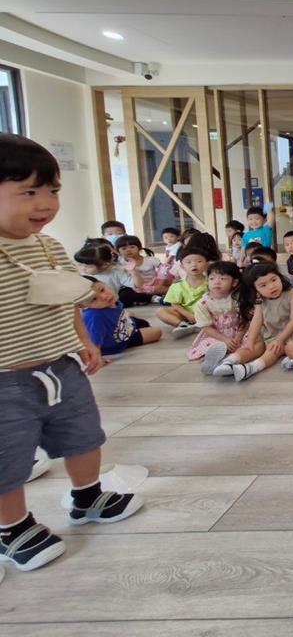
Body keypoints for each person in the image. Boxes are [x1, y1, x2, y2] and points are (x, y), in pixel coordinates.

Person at [0, 134, 143, 573]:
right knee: (8, 457)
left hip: (60, 365)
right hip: (5, 380)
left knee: (84, 435)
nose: (45, 203)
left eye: (53, 190)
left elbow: (68, 300)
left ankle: (87, 496)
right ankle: (12, 528)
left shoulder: (49, 247)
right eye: (29, 192)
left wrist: (83, 340)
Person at [209, 263, 293, 382]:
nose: (271, 286)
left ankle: (251, 368)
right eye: (263, 285)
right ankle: (228, 362)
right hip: (271, 334)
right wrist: (250, 342)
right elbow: (256, 321)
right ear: (256, 290)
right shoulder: (260, 300)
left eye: (274, 280)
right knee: (254, 346)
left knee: (273, 350)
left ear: (280, 278)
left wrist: (279, 339)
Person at [188, 261, 245, 373]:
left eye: (223, 278)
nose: (217, 282)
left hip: (240, 332)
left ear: (234, 282)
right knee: (213, 344)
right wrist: (225, 340)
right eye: (212, 278)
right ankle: (213, 359)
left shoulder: (239, 299)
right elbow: (206, 327)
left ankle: (229, 360)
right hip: (217, 335)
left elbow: (246, 321)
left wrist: (238, 338)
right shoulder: (203, 303)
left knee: (251, 342)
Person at [80, 280, 163, 355]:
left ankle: (129, 318)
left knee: (143, 322)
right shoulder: (95, 317)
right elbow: (94, 342)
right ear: (82, 305)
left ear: (104, 283)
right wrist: (97, 358)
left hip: (123, 328)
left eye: (102, 290)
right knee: (157, 332)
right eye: (94, 299)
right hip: (117, 344)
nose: (104, 296)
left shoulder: (111, 302)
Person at [73, 238, 150, 307]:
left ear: (105, 264)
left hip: (110, 304)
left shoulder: (116, 271)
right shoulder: (82, 274)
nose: (83, 269)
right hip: (91, 306)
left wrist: (133, 271)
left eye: (88, 266)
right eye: (80, 265)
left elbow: (138, 285)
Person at [155, 244, 210, 337]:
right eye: (188, 262)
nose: (194, 264)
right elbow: (175, 304)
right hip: (186, 315)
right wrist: (188, 315)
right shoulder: (178, 285)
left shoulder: (211, 282)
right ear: (182, 266)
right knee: (160, 311)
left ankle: (203, 324)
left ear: (206, 264)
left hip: (207, 313)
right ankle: (184, 325)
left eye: (199, 261)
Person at [116, 234, 168, 299]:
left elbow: (164, 269)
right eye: (124, 248)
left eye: (132, 247)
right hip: (137, 287)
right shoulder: (121, 264)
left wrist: (161, 283)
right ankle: (153, 297)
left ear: (139, 248)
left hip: (155, 283)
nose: (128, 250)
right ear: (118, 251)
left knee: (167, 286)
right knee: (127, 294)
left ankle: (156, 296)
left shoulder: (150, 260)